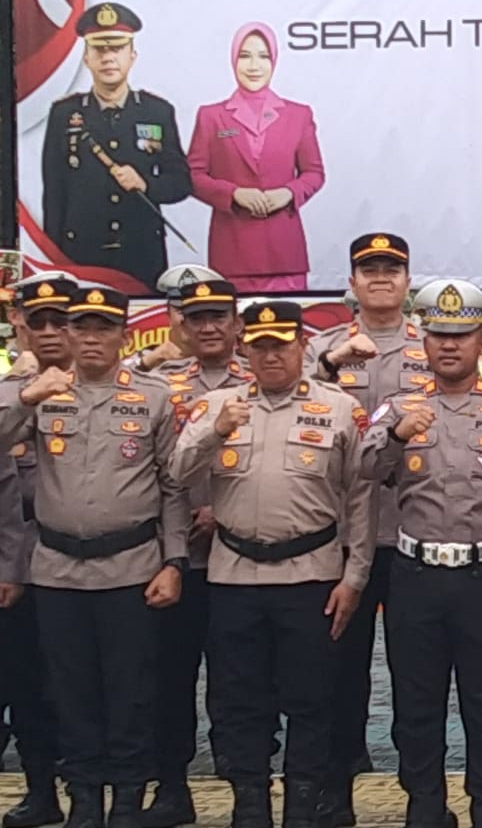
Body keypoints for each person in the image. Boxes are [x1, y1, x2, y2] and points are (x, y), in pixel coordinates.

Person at [172, 301, 371, 828]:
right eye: (259, 346)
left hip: (311, 575)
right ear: (245, 348)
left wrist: (354, 577)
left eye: (281, 345)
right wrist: (215, 430)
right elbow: (176, 472)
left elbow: (361, 500)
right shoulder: (216, 405)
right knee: (240, 700)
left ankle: (303, 808)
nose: (270, 356)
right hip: (234, 575)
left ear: (302, 347)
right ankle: (249, 807)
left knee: (311, 700)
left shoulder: (339, 408)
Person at [361, 280, 482, 828]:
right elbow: (365, 469)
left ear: (480, 342)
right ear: (423, 340)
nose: (449, 346)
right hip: (416, 574)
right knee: (415, 703)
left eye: (462, 335)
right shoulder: (398, 407)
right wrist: (396, 435)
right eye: (439, 334)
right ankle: (424, 805)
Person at [0, 287, 188, 828]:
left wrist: (173, 562)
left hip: (130, 565)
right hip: (57, 569)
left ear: (123, 336)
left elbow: (171, 487)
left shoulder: (152, 397)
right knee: (68, 691)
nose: (88, 338)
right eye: (79, 328)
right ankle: (83, 799)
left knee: (130, 691)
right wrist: (28, 397)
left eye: (102, 328)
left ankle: (127, 798)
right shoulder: (39, 393)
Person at [303, 232, 427, 824]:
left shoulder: (436, 349)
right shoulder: (321, 351)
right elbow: (292, 404)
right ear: (351, 281)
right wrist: (328, 368)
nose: (381, 277)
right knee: (337, 673)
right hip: (342, 538)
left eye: (392, 268)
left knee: (417, 675)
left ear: (407, 280)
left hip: (413, 534)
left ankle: (420, 794)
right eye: (369, 268)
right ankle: (337, 789)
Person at [144, 280, 253, 828]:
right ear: (180, 324)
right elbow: (158, 474)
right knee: (170, 677)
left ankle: (245, 790)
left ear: (237, 324)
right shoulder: (159, 387)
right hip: (181, 556)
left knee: (240, 682)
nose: (209, 326)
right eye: (198, 316)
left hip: (245, 559)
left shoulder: (268, 379)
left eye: (220, 316)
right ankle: (171, 784)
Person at [41, 3, 191, 292]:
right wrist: (56, 265)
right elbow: (55, 194)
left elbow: (181, 182)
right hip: (83, 255)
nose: (108, 58)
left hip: (141, 253)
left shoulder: (156, 111)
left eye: (117, 49)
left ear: (132, 56)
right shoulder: (65, 114)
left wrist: (145, 184)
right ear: (86, 58)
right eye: (99, 50)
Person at [0, 276, 75, 828]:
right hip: (21, 565)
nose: (50, 332)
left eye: (62, 320)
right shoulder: (6, 387)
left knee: (90, 685)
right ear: (20, 321)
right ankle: (41, 787)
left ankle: (100, 793)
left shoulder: (119, 384)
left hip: (95, 563)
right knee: (26, 685)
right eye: (39, 320)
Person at [187, 22, 326, 292]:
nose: (254, 65)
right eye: (245, 55)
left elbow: (314, 173)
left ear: (274, 60)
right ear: (233, 59)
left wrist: (287, 192)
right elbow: (193, 175)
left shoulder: (298, 115)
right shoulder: (211, 115)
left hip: (285, 252)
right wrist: (234, 193)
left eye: (263, 56)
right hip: (231, 253)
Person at [132, 265, 225, 374]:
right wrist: (146, 363)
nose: (185, 320)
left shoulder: (234, 359)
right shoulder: (148, 359)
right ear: (168, 316)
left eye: (195, 314)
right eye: (180, 311)